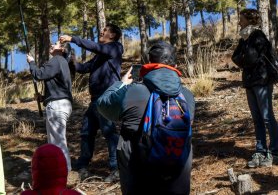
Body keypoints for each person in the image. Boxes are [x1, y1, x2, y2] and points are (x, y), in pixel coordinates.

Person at [96, 41, 195, 194]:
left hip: (138, 174)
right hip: (177, 173)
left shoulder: (132, 91)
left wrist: (121, 84)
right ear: (175, 67)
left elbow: (103, 106)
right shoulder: (187, 95)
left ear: (149, 64)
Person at [59, 23, 123, 182]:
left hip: (107, 97)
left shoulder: (116, 47)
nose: (102, 31)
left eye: (106, 30)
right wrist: (72, 61)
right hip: (95, 100)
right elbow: (83, 68)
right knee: (86, 132)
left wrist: (73, 39)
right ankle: (82, 167)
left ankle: (116, 168)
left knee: (109, 132)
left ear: (113, 35)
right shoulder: (99, 55)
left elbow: (96, 47)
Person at [232, 8, 278, 168]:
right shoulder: (243, 38)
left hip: (262, 80)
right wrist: (244, 58)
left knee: (266, 117)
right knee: (257, 118)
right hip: (250, 81)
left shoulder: (257, 35)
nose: (239, 21)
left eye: (241, 19)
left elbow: (250, 58)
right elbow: (234, 57)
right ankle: (260, 150)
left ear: (250, 20)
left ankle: (274, 151)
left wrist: (243, 58)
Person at [27, 41, 73, 171]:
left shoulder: (57, 60)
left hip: (57, 106)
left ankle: (65, 173)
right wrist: (43, 98)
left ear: (62, 49)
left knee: (57, 143)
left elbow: (39, 74)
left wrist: (31, 62)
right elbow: (58, 87)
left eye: (56, 43)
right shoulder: (62, 63)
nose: (52, 44)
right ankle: (59, 173)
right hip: (61, 103)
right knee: (56, 141)